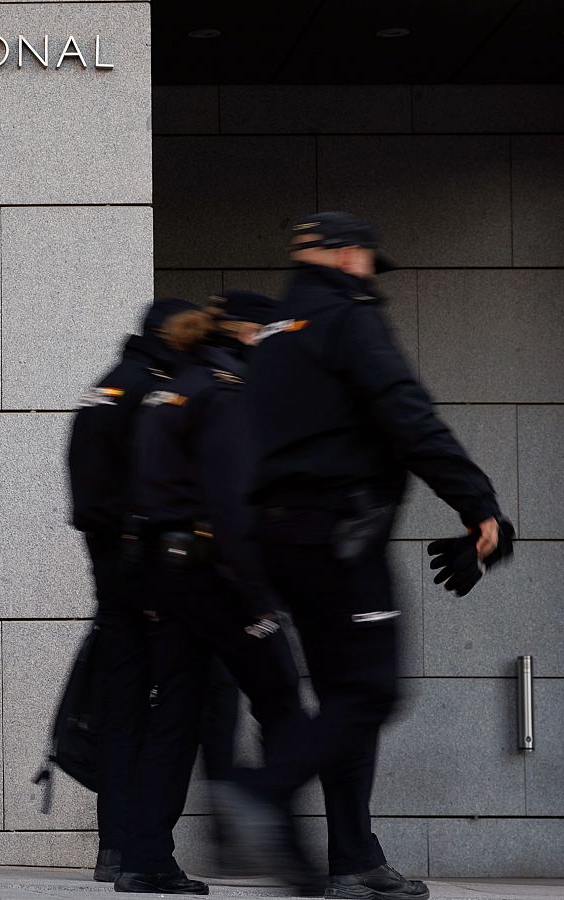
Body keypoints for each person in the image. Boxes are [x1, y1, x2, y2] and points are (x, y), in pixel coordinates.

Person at [229, 213, 514, 899]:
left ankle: (354, 856)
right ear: (348, 255)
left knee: (342, 698)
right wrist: (478, 505)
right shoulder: (347, 318)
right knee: (372, 689)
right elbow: (407, 413)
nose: (366, 270)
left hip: (280, 537)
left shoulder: (271, 335)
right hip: (341, 535)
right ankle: (264, 790)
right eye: (363, 257)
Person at [117, 291, 313, 895]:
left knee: (174, 716)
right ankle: (279, 831)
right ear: (249, 334)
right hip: (218, 579)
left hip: (169, 576)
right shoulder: (226, 391)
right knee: (281, 698)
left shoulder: (168, 388)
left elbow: (140, 495)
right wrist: (259, 593)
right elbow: (230, 504)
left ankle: (145, 858)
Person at [67, 297, 239, 884]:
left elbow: (88, 498)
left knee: (121, 710)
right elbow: (149, 488)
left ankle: (116, 845)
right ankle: (143, 851)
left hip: (113, 574)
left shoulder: (108, 386)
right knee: (179, 704)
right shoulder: (157, 390)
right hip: (147, 574)